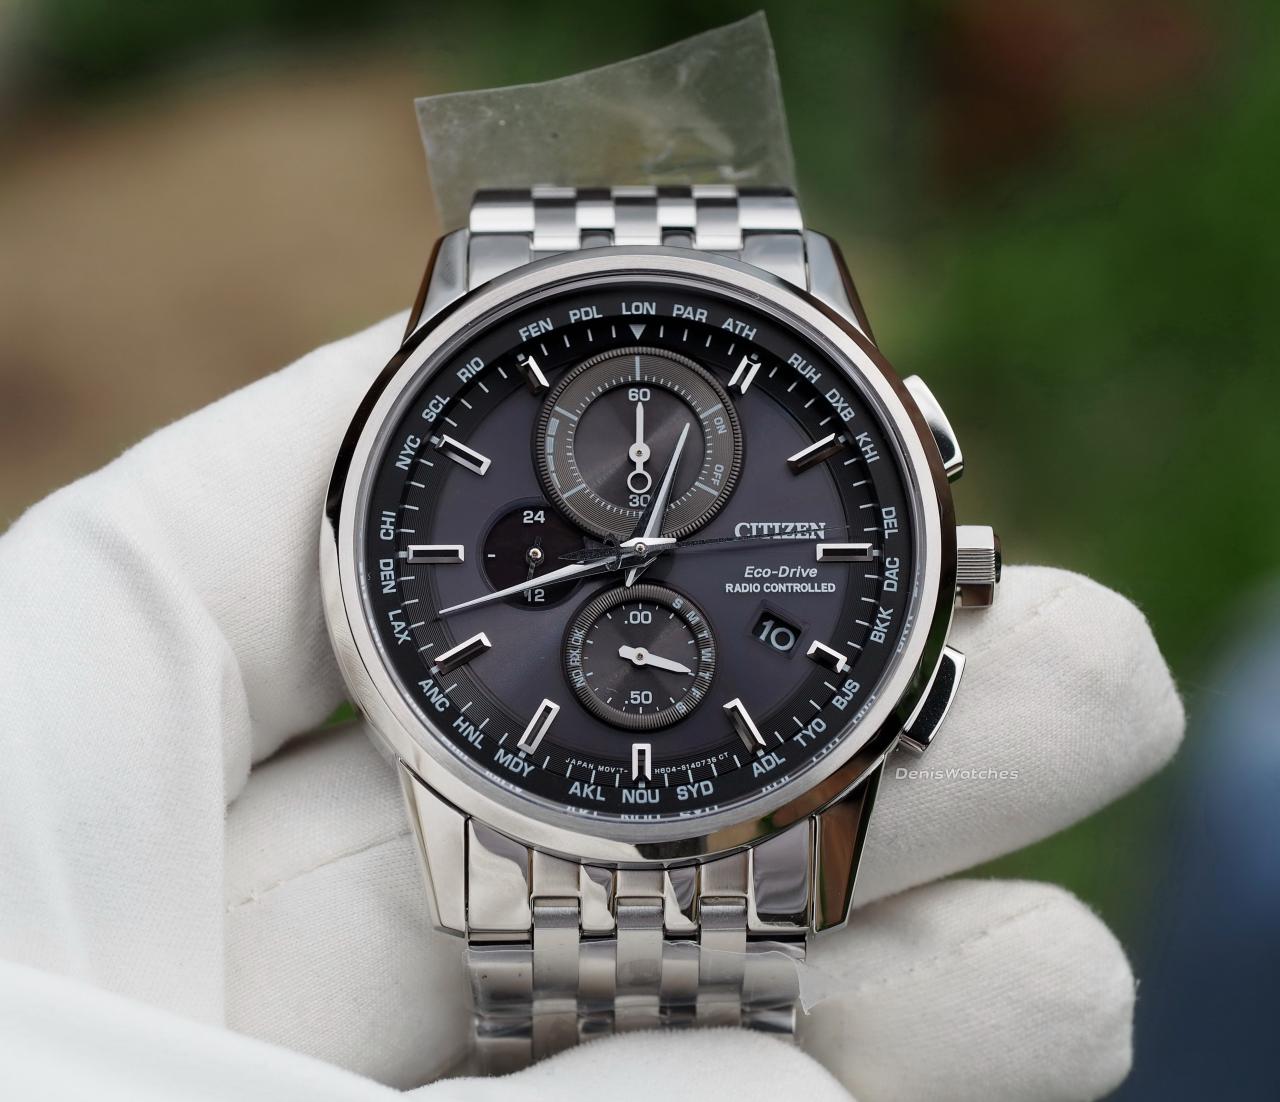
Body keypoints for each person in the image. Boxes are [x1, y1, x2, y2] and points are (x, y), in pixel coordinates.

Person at [0, 314, 1184, 1101]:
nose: (643, 554)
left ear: (945, 560)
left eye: (661, 545)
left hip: (709, 785)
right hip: (508, 785)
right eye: (621, 549)